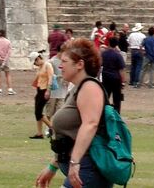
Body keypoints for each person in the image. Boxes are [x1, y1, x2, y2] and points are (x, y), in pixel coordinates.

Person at [35, 38, 111, 188]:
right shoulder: (77, 89)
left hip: (88, 169)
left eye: (64, 61)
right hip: (82, 169)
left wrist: (75, 162)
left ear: (79, 65)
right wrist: (53, 166)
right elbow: (71, 137)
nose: (60, 66)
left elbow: (90, 124)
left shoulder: (89, 87)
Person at [29, 50, 54, 139]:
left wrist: (48, 90)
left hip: (45, 90)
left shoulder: (47, 65)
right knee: (37, 113)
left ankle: (52, 127)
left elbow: (51, 78)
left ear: (38, 59)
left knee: (38, 112)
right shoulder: (40, 67)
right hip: (39, 90)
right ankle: (39, 133)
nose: (35, 64)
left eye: (35, 62)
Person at [101, 37, 126, 113]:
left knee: (105, 96)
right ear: (116, 45)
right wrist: (123, 81)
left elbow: (100, 65)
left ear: (109, 43)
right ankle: (117, 113)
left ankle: (103, 113)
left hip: (105, 77)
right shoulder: (118, 55)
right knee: (117, 98)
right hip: (115, 78)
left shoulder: (104, 54)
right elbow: (121, 70)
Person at [45, 44, 67, 122]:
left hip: (63, 92)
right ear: (60, 52)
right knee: (49, 112)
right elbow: (49, 75)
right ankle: (49, 127)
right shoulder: (51, 62)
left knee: (59, 112)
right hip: (53, 92)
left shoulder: (66, 61)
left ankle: (55, 128)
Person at [0, 29, 15, 95]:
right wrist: (4, 59)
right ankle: (10, 89)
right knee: (8, 75)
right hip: (6, 60)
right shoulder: (8, 42)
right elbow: (9, 52)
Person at [127, 23, 145, 87]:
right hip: (139, 50)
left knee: (133, 66)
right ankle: (136, 81)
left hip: (133, 50)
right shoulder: (143, 35)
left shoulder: (131, 35)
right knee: (138, 66)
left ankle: (131, 80)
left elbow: (128, 42)